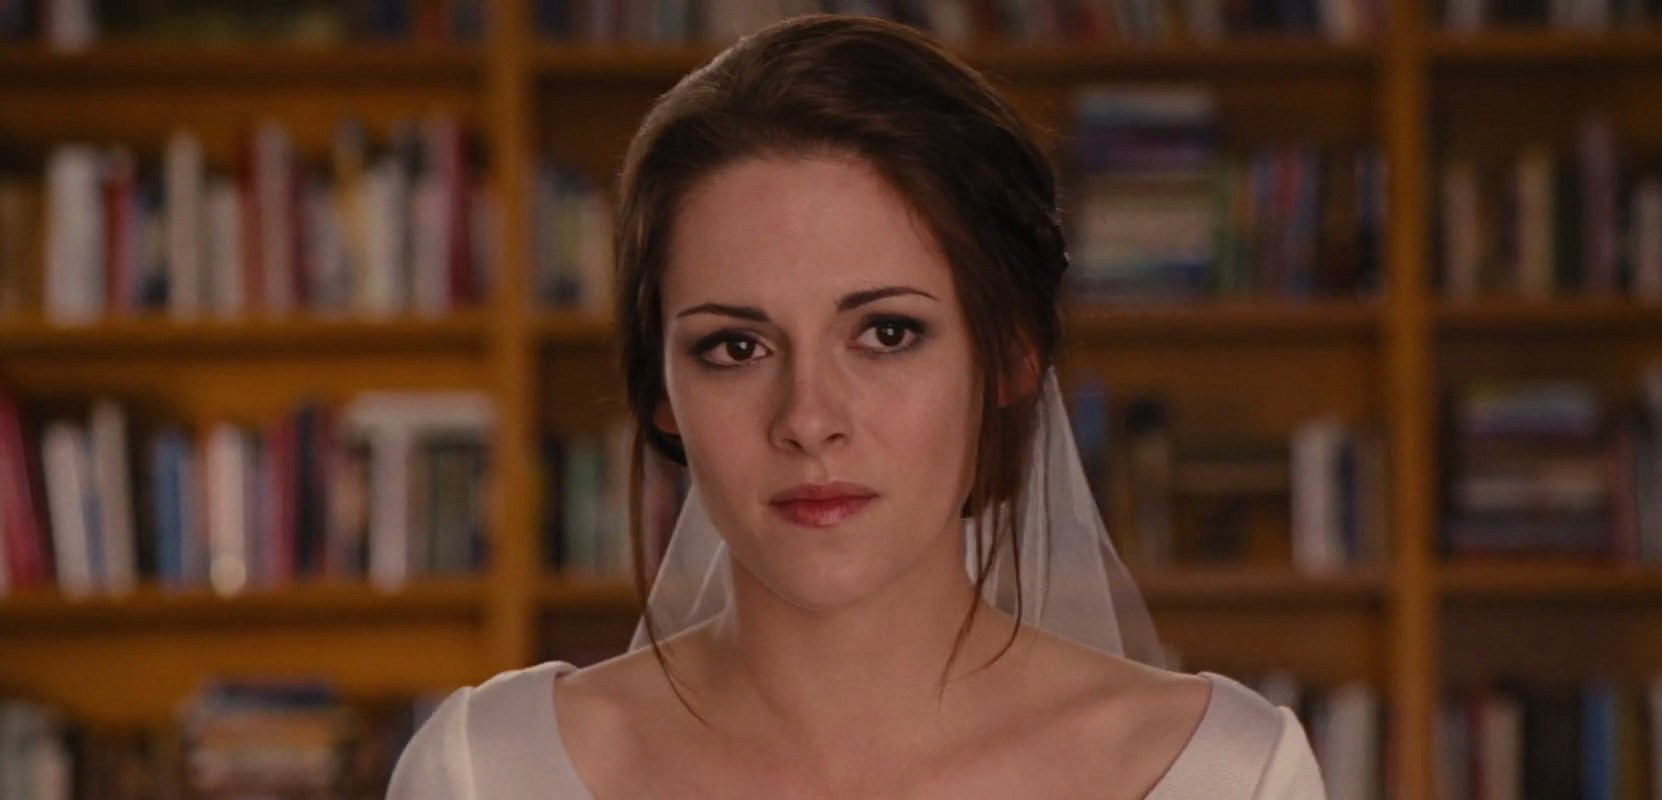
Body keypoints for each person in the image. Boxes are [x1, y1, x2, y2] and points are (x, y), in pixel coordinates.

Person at [388, 14, 1326, 799]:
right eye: (736, 348)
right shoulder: (488, 774)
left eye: (886, 333)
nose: (809, 419)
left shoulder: (1225, 775)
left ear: (1008, 358)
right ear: (661, 392)